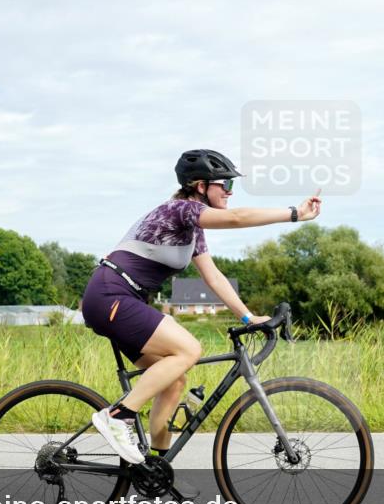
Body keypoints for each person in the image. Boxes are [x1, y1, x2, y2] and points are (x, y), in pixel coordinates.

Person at [80, 149, 322, 486]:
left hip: (121, 299)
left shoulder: (193, 229)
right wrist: (294, 213)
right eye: (224, 184)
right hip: (110, 295)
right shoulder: (181, 210)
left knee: (175, 378)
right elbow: (237, 218)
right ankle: (117, 417)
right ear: (199, 185)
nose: (229, 191)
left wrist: (248, 316)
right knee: (188, 350)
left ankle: (153, 470)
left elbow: (214, 278)